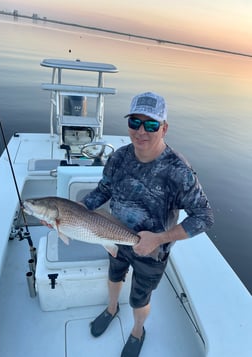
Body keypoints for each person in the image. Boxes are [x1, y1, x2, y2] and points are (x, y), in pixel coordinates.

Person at [81, 91, 214, 357]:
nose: (141, 131)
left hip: (152, 251)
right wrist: (70, 212)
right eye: (135, 122)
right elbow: (103, 191)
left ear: (164, 128)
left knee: (139, 297)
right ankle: (111, 309)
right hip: (113, 235)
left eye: (151, 124)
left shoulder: (179, 171)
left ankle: (137, 331)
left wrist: (159, 239)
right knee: (114, 276)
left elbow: (204, 217)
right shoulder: (118, 157)